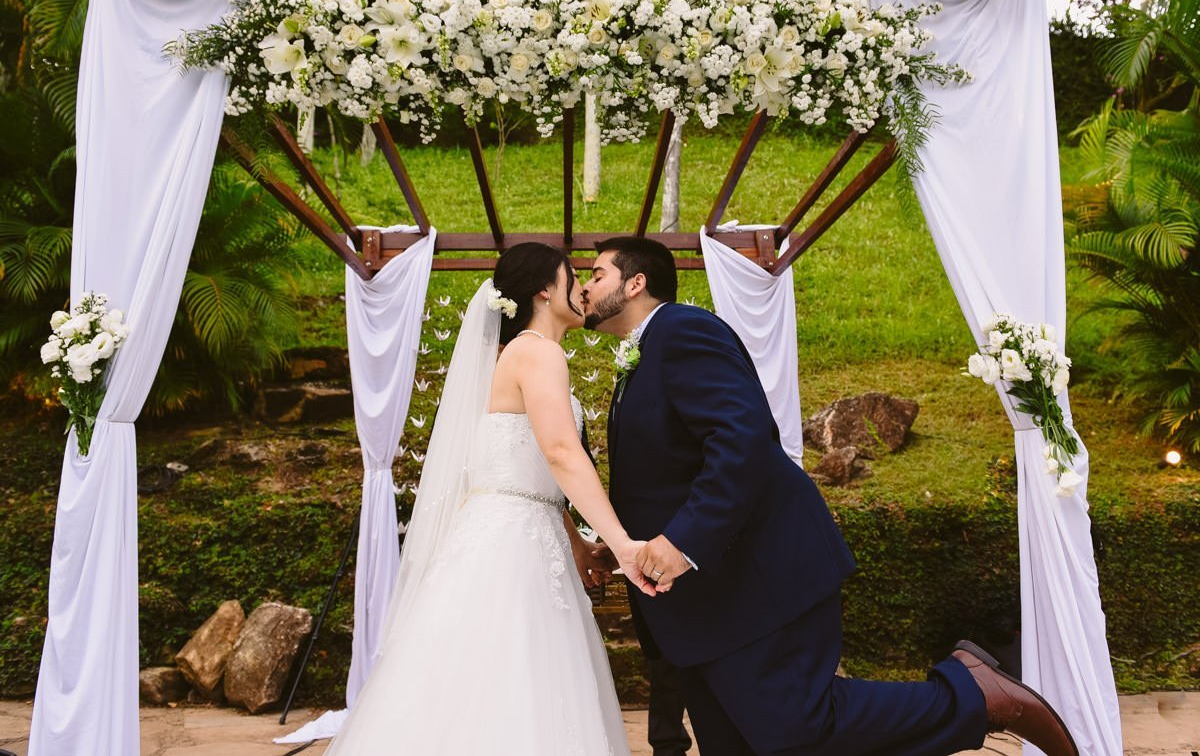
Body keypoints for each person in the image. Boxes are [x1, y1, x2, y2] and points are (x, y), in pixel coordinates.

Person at [581, 236, 1079, 756]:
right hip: (700, 607)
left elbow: (741, 440)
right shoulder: (639, 356)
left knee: (800, 727)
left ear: (636, 282)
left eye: (597, 275)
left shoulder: (683, 329)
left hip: (754, 581)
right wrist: (619, 545)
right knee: (731, 744)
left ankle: (975, 695)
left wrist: (681, 543)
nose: (588, 288)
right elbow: (663, 475)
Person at [325, 242, 655, 756]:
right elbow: (564, 453)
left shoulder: (519, 354)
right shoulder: (537, 352)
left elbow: (527, 478)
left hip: (521, 532)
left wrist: (578, 544)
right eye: (574, 277)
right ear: (545, 290)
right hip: (511, 553)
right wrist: (624, 546)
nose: (584, 289)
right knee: (514, 680)